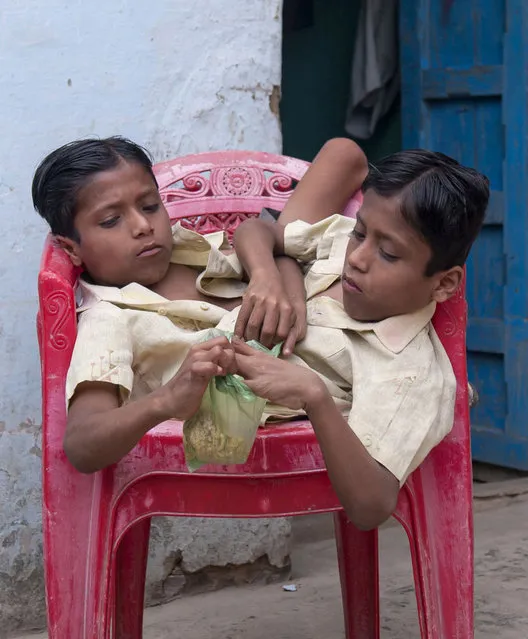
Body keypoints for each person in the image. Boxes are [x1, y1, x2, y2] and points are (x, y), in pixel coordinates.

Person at [32, 136, 367, 474]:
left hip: (348, 298)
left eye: (149, 206)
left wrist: (273, 276)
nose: (143, 226)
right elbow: (82, 445)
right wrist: (165, 401)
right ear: (72, 249)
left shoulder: (192, 251)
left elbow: (345, 157)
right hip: (356, 366)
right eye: (110, 221)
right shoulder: (109, 317)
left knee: (352, 166)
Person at [231, 147, 489, 529]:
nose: (357, 257)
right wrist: (267, 275)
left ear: (444, 283)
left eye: (387, 254)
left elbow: (371, 506)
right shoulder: (338, 243)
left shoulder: (409, 374)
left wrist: (315, 396)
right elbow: (256, 229)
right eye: (361, 233)